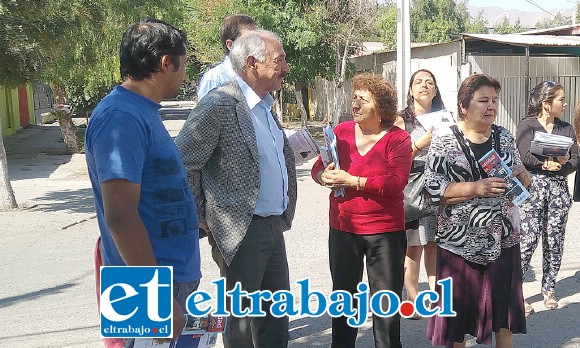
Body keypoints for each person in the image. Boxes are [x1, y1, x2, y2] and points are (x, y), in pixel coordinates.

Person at [175, 30, 296, 348]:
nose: (286, 68)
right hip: (241, 232)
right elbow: (182, 163)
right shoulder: (220, 104)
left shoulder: (265, 106)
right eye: (279, 60)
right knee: (240, 324)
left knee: (275, 320)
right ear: (253, 63)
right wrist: (207, 217)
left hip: (273, 226)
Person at [85, 18, 201, 347]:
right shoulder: (121, 118)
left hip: (170, 280)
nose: (185, 74)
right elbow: (120, 216)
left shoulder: (142, 111)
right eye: (184, 64)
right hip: (146, 290)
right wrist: (158, 299)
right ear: (166, 63)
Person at [424, 74, 528, 348]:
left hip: (503, 239)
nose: (491, 106)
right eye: (483, 100)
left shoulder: (504, 136)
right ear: (463, 105)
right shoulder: (444, 139)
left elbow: (518, 180)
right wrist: (474, 188)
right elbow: (433, 189)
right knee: (456, 321)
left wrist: (523, 177)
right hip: (458, 244)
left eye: (494, 100)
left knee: (503, 316)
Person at [311, 73, 412, 348]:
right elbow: (318, 168)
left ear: (380, 108)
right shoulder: (341, 132)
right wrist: (325, 177)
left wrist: (352, 181)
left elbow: (395, 183)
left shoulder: (398, 139)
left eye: (362, 98)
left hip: (385, 232)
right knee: (343, 298)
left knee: (385, 303)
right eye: (354, 97)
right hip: (343, 229)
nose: (354, 103)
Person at [516, 81, 579, 316]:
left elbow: (575, 159)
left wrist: (561, 167)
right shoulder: (527, 125)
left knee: (554, 241)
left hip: (558, 191)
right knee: (527, 240)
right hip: (533, 189)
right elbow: (523, 154)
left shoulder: (566, 128)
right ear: (546, 103)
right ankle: (517, 292)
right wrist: (545, 163)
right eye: (560, 99)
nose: (564, 104)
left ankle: (549, 288)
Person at [394, 69, 446, 316]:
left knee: (435, 244)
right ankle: (413, 300)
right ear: (411, 89)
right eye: (419, 82)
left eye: (430, 82)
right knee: (413, 245)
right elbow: (392, 157)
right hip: (413, 186)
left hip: (440, 186)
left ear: (435, 90)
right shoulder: (401, 119)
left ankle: (435, 299)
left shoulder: (445, 118)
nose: (424, 86)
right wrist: (419, 144)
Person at [196, 14, 257, 100]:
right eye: (249, 40)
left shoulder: (256, 74)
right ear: (230, 45)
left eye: (258, 39)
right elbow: (205, 112)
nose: (257, 44)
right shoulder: (215, 79)